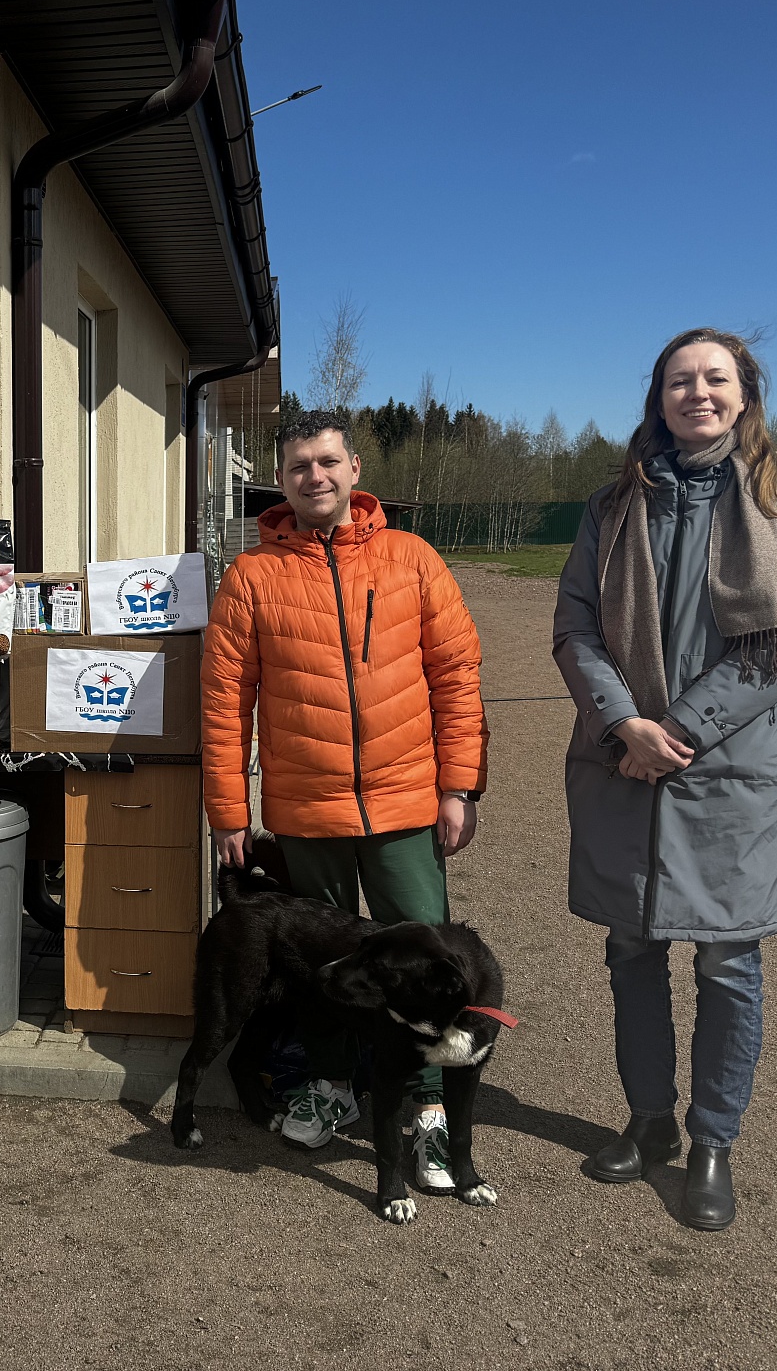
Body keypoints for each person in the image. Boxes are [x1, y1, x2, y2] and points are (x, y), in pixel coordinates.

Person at [554, 328, 777, 1232]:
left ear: (744, 394)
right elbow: (576, 626)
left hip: (731, 776)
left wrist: (676, 729)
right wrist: (624, 722)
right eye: (679, 379)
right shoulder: (611, 507)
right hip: (623, 761)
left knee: (728, 962)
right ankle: (650, 1121)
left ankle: (713, 1141)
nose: (696, 392)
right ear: (656, 397)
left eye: (714, 379)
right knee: (631, 951)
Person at [202, 406, 488, 1188]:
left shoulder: (412, 560)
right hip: (307, 811)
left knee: (427, 961)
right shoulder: (252, 577)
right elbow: (225, 701)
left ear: (355, 470)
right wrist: (230, 810)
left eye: (328, 462)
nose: (315, 477)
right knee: (324, 968)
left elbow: (457, 677)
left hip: (404, 805)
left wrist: (457, 785)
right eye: (300, 466)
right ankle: (329, 1086)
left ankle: (428, 1109)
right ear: (282, 480)